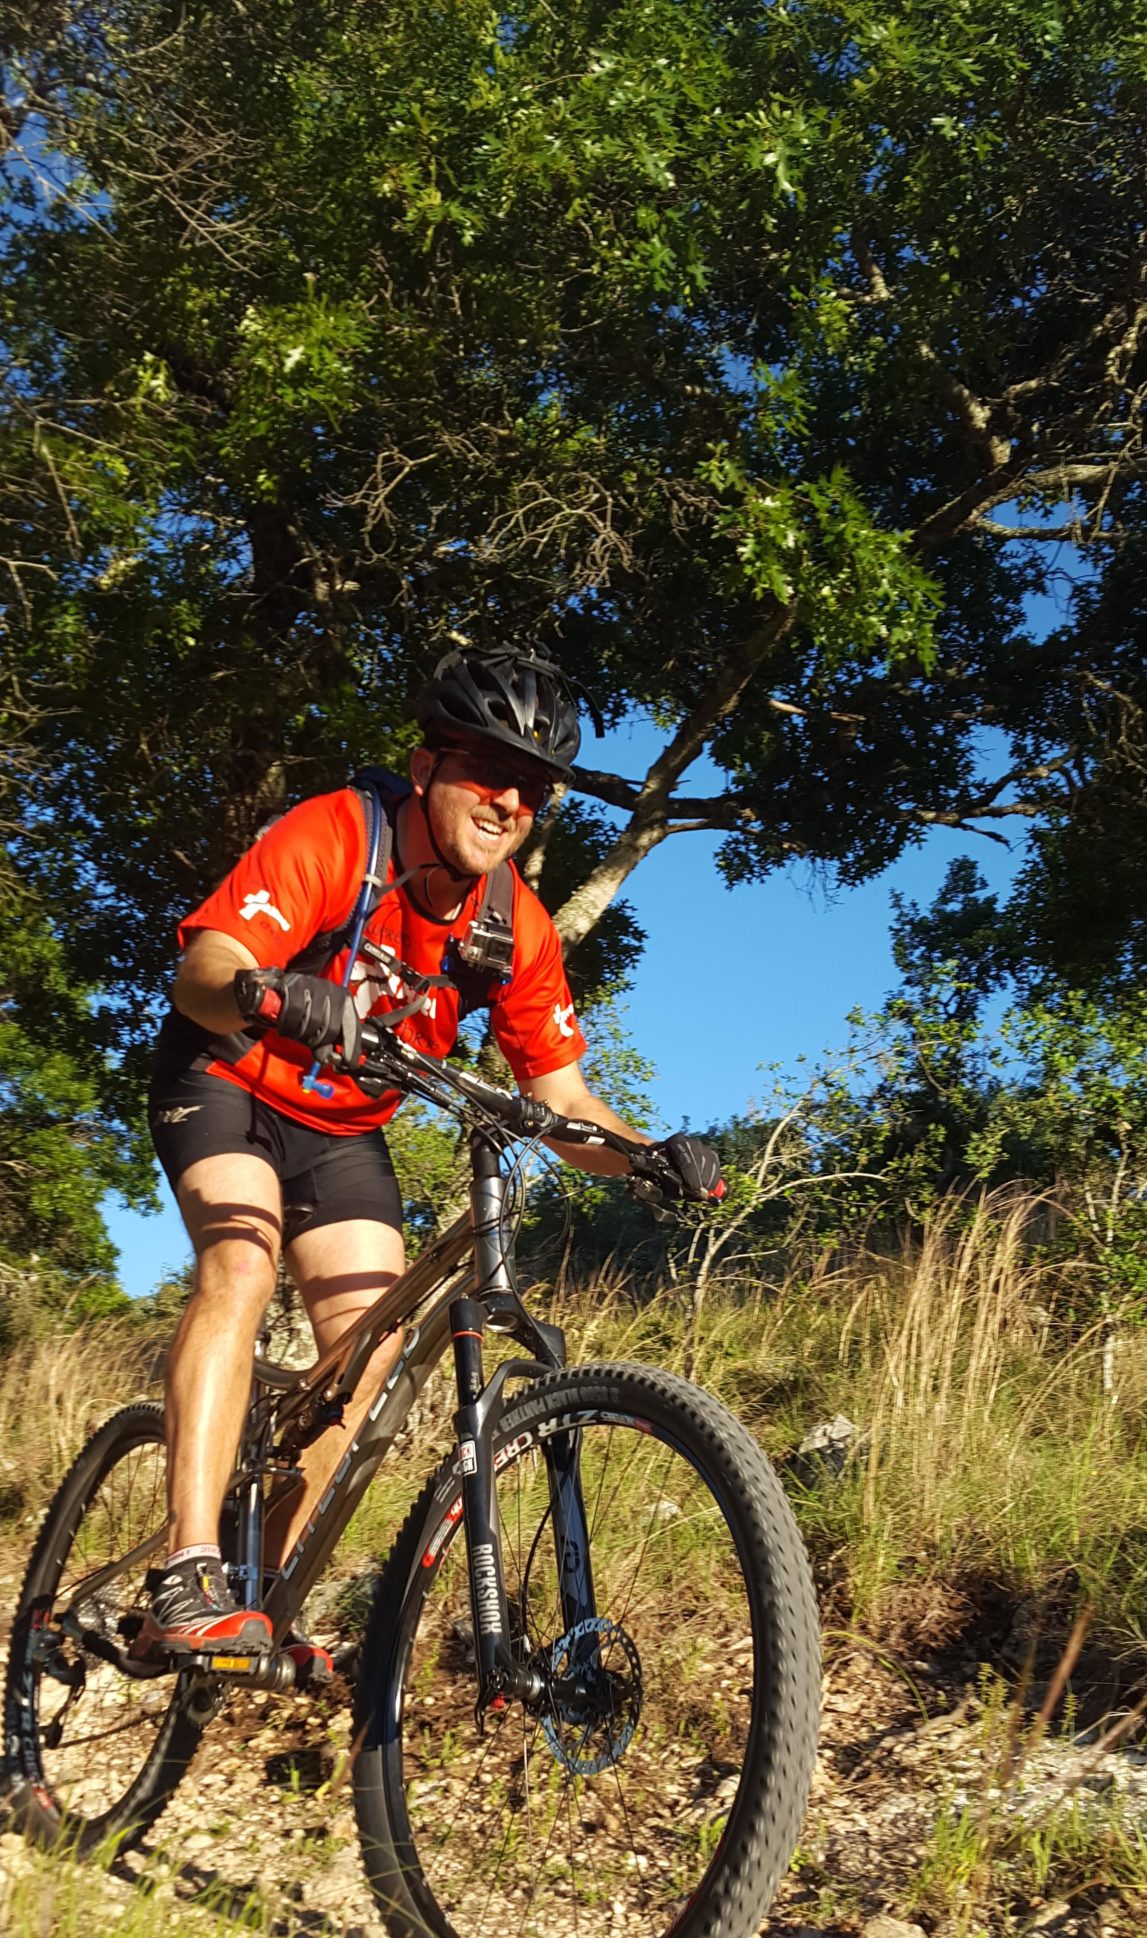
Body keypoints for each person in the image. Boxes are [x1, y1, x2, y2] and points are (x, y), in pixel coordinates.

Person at [141, 644, 722, 1667]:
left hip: (342, 1129)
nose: (509, 800)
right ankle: (186, 1570)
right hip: (227, 1081)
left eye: (535, 788)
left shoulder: (516, 928)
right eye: (487, 771)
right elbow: (206, 964)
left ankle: (256, 1602)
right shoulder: (336, 835)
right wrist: (263, 992)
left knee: (359, 1367)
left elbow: (563, 1099)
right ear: (425, 767)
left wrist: (647, 1154)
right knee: (241, 1263)